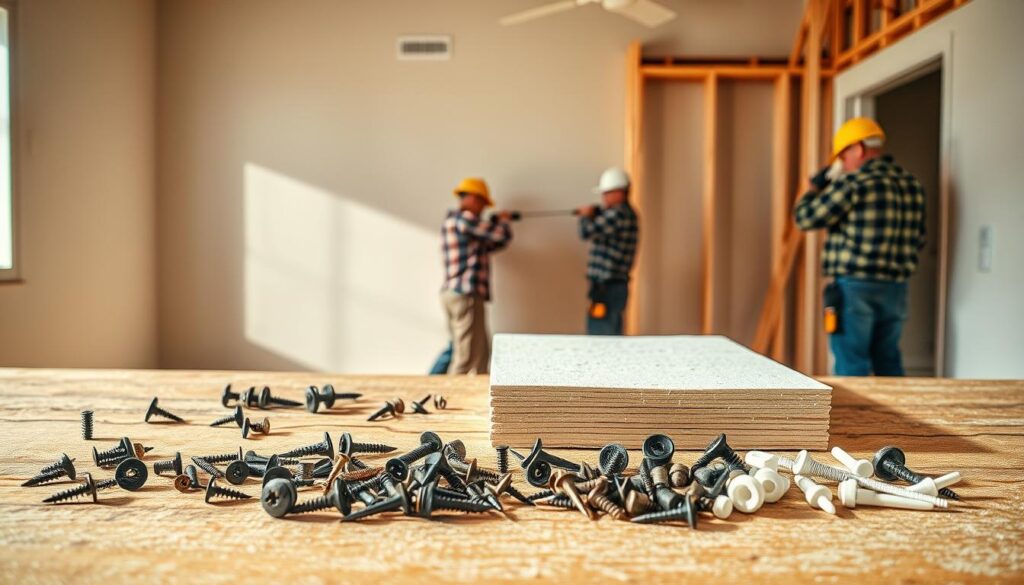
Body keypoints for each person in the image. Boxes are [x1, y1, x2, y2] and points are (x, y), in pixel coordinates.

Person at [794, 118, 926, 376]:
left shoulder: (853, 183)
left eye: (843, 154)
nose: (842, 163)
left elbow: (805, 217)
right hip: (896, 287)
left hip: (855, 288)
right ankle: (899, 416)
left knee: (851, 364)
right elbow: (919, 239)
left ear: (859, 149)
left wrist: (812, 189)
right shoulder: (913, 185)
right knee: (888, 361)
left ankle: (852, 418)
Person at [440, 177, 514, 374]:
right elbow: (501, 235)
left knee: (482, 352)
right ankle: (453, 398)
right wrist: (504, 222)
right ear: (473, 198)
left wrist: (496, 223)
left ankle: (481, 392)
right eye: (482, 203)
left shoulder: (459, 224)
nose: (483, 209)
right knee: (465, 357)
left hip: (459, 293)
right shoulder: (465, 219)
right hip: (465, 293)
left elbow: (494, 244)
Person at [575, 167, 639, 335]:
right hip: (611, 285)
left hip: (607, 286)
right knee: (609, 330)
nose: (603, 198)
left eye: (606, 193)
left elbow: (587, 232)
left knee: (601, 334)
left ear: (619, 192)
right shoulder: (625, 214)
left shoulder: (617, 215)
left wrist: (585, 216)